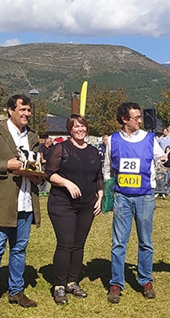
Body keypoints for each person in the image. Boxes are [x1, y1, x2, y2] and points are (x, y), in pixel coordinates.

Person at [0, 95, 43, 316]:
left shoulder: (32, 136)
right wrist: (5, 165)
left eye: (29, 110)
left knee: (19, 250)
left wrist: (37, 175)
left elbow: (34, 163)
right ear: (10, 110)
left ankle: (16, 291)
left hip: (25, 201)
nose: (27, 114)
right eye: (23, 109)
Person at [103, 102, 165, 304]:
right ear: (124, 119)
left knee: (145, 241)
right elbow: (107, 170)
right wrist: (108, 196)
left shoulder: (149, 139)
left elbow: (162, 159)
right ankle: (116, 283)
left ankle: (145, 280)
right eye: (136, 117)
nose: (140, 120)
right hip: (122, 198)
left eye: (139, 117)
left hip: (145, 197)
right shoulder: (113, 140)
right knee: (118, 242)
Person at [44, 114, 103, 305]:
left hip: (87, 204)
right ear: (70, 129)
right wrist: (66, 183)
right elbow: (49, 174)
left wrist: (101, 195)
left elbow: (99, 176)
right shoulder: (60, 148)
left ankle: (72, 281)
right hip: (62, 203)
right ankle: (59, 286)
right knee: (65, 244)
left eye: (83, 126)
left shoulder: (93, 151)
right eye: (76, 126)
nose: (80, 129)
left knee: (79, 244)